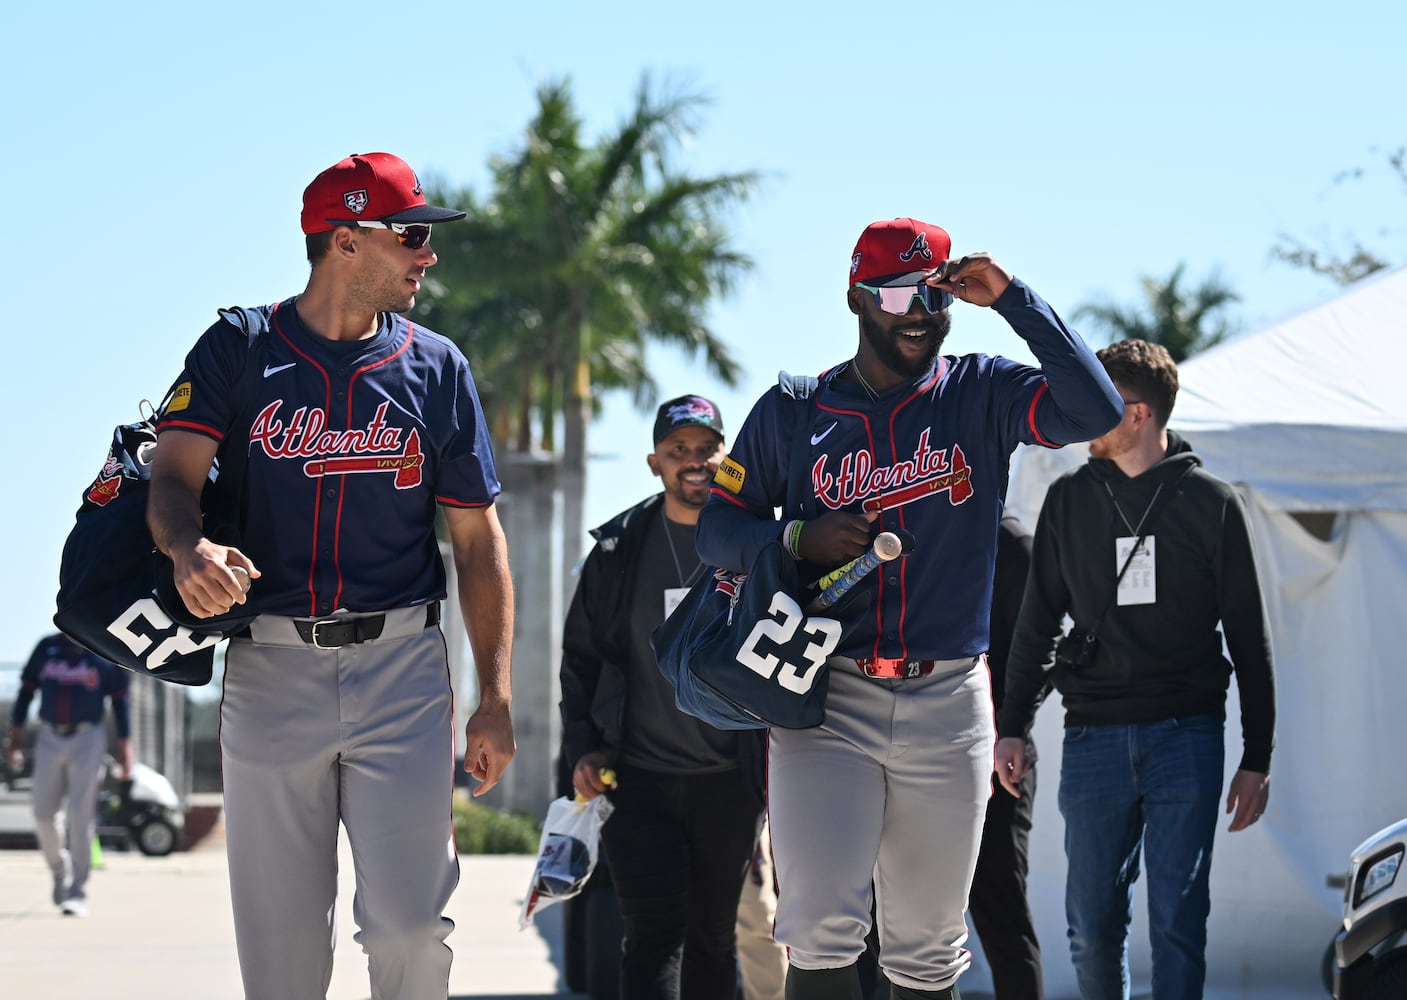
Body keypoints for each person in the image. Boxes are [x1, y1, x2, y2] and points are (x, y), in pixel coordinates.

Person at [696, 217, 1123, 1000]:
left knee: (927, 949)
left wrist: (1014, 299)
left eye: (933, 292)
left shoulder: (979, 390)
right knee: (819, 933)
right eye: (895, 295)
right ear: (855, 297)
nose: (918, 311)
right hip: (826, 694)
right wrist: (795, 536)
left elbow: (1094, 412)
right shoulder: (795, 409)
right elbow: (716, 535)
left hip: (950, 694)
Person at [146, 152, 516, 1000]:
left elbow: (476, 541)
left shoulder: (436, 367)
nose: (428, 255)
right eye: (412, 235)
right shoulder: (239, 348)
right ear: (345, 241)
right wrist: (186, 549)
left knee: (413, 930)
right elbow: (172, 477)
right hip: (272, 666)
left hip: (404, 670)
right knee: (279, 956)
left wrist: (493, 696)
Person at [995, 338, 1276, 1000]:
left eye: (1099, 403)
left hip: (1188, 737)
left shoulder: (1211, 503)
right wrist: (1012, 726)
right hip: (1093, 737)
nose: (1080, 417)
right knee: (1090, 929)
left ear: (1138, 414)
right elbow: (1036, 624)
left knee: (1178, 924)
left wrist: (1257, 756)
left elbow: (1247, 634)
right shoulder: (1066, 500)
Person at [560, 394, 771, 999]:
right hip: (640, 777)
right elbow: (582, 662)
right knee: (651, 939)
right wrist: (583, 748)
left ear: (727, 458)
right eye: (680, 450)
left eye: (708, 449)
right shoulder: (618, 551)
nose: (695, 461)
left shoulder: (756, 545)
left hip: (730, 779)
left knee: (713, 940)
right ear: (656, 463)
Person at [968, 511, 1044, 1000]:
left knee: (1002, 914)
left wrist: (1009, 727)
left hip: (999, 759)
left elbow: (1041, 650)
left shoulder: (1011, 543)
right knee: (902, 923)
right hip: (922, 751)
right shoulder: (924, 531)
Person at [7, 631, 132, 917]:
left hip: (88, 737)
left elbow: (120, 700)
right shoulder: (47, 648)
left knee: (80, 815)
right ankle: (58, 869)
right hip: (49, 735)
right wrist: (15, 735)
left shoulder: (102, 644)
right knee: (42, 814)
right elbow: (27, 690)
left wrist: (126, 746)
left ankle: (77, 890)